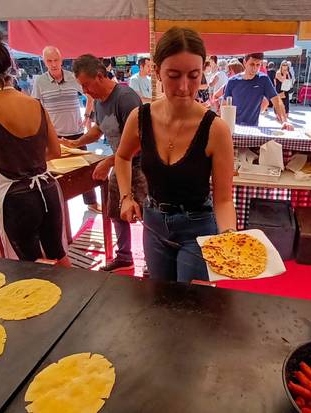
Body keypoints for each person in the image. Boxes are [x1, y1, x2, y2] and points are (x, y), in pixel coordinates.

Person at [115, 27, 236, 283]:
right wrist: (126, 197)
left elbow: (224, 200)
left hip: (198, 227)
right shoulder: (140, 118)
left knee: (192, 309)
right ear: (156, 71)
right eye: (173, 75)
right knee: (161, 300)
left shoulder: (216, 130)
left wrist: (227, 238)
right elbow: (123, 157)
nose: (184, 87)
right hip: (154, 222)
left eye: (194, 76)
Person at [0, 24, 70, 266]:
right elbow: (55, 151)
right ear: (11, 68)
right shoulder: (35, 104)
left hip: (16, 198)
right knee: (58, 253)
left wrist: (9, 155)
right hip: (48, 188)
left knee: (31, 264)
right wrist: (30, 157)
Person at [65, 54, 145, 272]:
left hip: (140, 166)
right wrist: (76, 142)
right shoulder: (100, 102)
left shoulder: (125, 98)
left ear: (99, 76)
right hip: (119, 164)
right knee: (116, 211)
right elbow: (99, 128)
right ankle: (124, 256)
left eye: (86, 85)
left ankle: (152, 261)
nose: (85, 91)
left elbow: (140, 141)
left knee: (147, 216)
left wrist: (108, 162)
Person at [32, 46, 100, 213]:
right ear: (44, 61)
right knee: (56, 173)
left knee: (85, 170)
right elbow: (35, 106)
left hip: (76, 133)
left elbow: (90, 95)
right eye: (49, 61)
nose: (53, 64)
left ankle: (91, 203)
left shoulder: (72, 77)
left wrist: (88, 116)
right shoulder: (40, 82)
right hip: (54, 135)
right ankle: (57, 207)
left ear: (61, 60)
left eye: (56, 60)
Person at [223, 52, 292, 129]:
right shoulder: (232, 81)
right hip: (234, 127)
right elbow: (225, 105)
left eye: (258, 65)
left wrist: (284, 120)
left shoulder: (263, 79)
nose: (255, 68)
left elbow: (276, 100)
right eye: (252, 64)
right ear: (244, 63)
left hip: (253, 128)